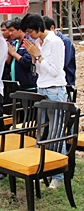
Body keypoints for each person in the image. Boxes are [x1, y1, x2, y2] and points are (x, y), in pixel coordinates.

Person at [21, 13, 67, 189]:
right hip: (42, 88)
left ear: (39, 28)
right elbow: (36, 71)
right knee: (42, 132)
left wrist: (38, 55)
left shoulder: (55, 42)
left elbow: (55, 71)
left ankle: (58, 174)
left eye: (31, 31)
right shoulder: (38, 43)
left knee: (56, 133)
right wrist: (34, 57)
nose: (29, 35)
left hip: (55, 89)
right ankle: (43, 169)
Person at [43, 16, 76, 86]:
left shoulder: (64, 41)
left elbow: (64, 62)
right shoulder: (45, 41)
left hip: (65, 80)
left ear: (52, 28)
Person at [6, 18, 38, 91]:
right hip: (15, 84)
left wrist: (13, 53)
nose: (10, 33)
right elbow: (8, 62)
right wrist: (9, 53)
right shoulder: (14, 43)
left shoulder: (29, 42)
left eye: (12, 30)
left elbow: (27, 62)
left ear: (20, 29)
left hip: (28, 86)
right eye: (9, 31)